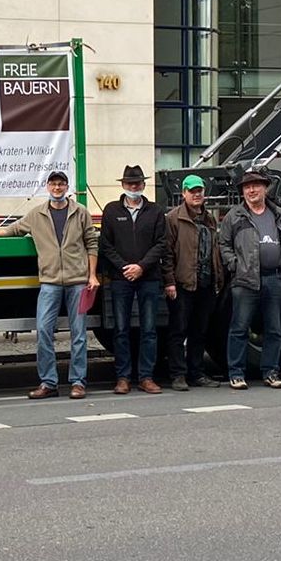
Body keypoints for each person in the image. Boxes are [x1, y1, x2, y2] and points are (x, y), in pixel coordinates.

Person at [0, 170, 99, 400]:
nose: (57, 188)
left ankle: (78, 382)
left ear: (67, 187)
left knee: (79, 333)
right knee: (43, 330)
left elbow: (92, 243)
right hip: (50, 282)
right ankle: (48, 382)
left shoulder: (80, 213)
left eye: (61, 184)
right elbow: (14, 228)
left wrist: (92, 275)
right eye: (53, 184)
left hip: (78, 282)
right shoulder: (37, 214)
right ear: (47, 187)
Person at [223, 171, 281, 390]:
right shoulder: (234, 216)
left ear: (265, 189)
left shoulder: (279, 215)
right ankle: (236, 373)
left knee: (274, 329)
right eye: (247, 187)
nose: (252, 190)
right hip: (245, 281)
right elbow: (224, 244)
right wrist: (234, 265)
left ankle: (271, 372)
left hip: (275, 278)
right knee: (239, 328)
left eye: (256, 186)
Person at [98, 165, 167, 395]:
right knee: (120, 329)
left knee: (149, 329)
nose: (133, 187)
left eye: (137, 183)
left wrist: (142, 266)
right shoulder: (111, 210)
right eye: (129, 183)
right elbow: (105, 245)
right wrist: (125, 267)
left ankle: (146, 377)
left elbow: (161, 244)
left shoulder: (156, 211)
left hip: (149, 278)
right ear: (123, 185)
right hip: (120, 278)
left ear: (144, 185)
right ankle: (123, 377)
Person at [161, 174, 225, 390]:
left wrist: (218, 279)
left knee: (200, 331)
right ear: (184, 194)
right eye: (192, 191)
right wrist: (169, 281)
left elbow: (215, 249)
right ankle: (178, 375)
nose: (196, 194)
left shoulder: (209, 219)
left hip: (206, 283)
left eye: (199, 191)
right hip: (182, 283)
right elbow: (167, 253)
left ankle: (196, 373)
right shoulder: (172, 218)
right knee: (178, 330)